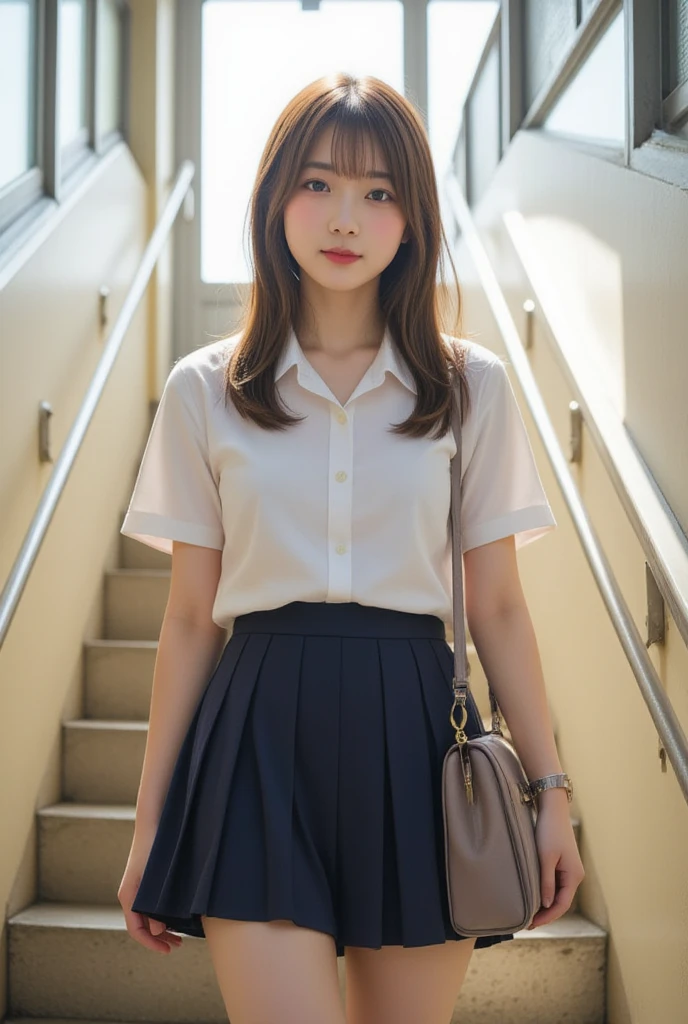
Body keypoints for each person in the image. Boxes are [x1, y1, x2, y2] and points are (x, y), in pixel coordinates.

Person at [117, 72, 584, 1024]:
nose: (346, 216)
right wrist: (148, 824)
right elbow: (187, 620)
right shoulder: (206, 390)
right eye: (319, 183)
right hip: (255, 733)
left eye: (380, 193)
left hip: (419, 735)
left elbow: (496, 605)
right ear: (274, 199)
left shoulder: (469, 386)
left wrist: (552, 793)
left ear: (412, 221)